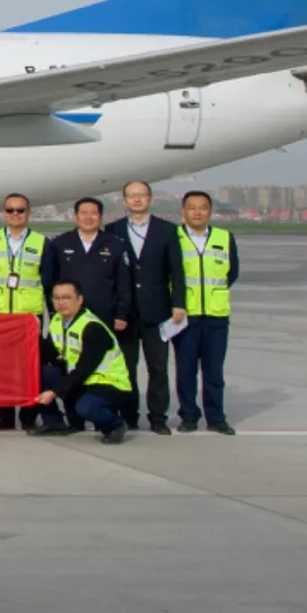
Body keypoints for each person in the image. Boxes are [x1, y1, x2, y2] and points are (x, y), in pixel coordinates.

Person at [41, 198, 133, 429]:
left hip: (104, 318)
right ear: (75, 216)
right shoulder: (60, 244)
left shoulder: (115, 244)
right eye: (84, 213)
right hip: (69, 319)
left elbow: (124, 283)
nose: (88, 217)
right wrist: (56, 311)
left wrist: (122, 314)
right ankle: (70, 420)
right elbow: (50, 281)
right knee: (63, 368)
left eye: (94, 213)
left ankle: (117, 419)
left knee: (103, 370)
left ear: (101, 217)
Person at [106, 180, 186, 436]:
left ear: (150, 199)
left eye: (141, 195)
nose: (137, 200)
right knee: (126, 368)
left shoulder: (167, 231)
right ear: (125, 200)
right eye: (131, 196)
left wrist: (179, 303)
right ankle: (129, 415)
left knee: (158, 367)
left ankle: (158, 417)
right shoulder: (113, 229)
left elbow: (177, 270)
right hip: (126, 313)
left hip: (157, 311)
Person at [28, 281, 134, 444]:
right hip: (81, 381)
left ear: (80, 300)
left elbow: (84, 369)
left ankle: (115, 425)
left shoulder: (92, 327)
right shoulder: (57, 321)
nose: (60, 303)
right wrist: (35, 334)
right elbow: (53, 356)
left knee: (86, 407)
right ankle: (54, 422)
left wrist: (54, 392)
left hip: (108, 383)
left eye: (66, 297)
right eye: (56, 298)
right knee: (40, 372)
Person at [173, 191, 239, 436]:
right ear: (183, 212)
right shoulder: (174, 238)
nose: (197, 212)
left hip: (216, 316)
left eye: (203, 208)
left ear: (210, 211)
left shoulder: (224, 237)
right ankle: (189, 416)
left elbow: (231, 273)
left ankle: (216, 417)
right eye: (192, 208)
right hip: (185, 317)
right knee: (186, 370)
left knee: (214, 371)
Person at [0, 193, 49, 432]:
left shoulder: (42, 242)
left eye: (20, 210)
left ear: (28, 213)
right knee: (1, 369)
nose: (15, 214)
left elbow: (48, 282)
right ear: (4, 213)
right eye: (10, 210)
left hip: (28, 315)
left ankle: (29, 416)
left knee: (28, 369)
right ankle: (5, 416)